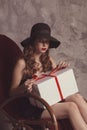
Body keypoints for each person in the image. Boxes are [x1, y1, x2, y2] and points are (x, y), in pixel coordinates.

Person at [10, 23, 87, 130]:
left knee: (77, 97)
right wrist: (24, 87)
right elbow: (12, 93)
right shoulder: (22, 63)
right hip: (34, 107)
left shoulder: (49, 60)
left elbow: (57, 84)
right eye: (41, 41)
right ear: (33, 41)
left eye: (47, 41)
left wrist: (60, 70)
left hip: (50, 99)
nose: (44, 44)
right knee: (71, 107)